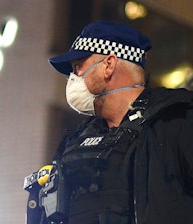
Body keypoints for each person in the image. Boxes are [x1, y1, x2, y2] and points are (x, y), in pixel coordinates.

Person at [24, 21, 193, 224]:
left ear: (108, 65)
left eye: (78, 68)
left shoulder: (176, 120)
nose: (72, 78)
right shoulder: (75, 142)